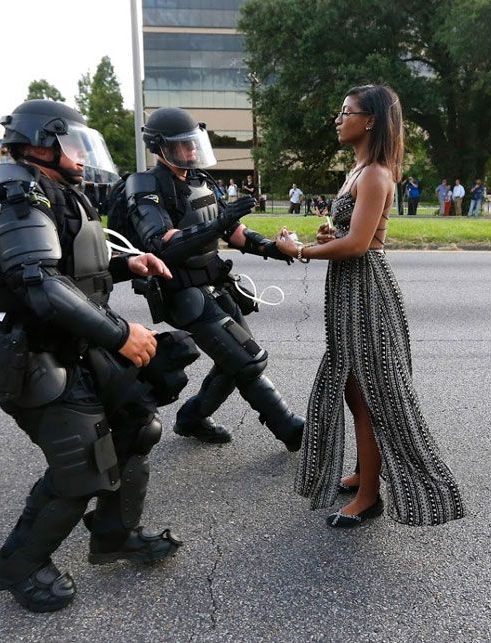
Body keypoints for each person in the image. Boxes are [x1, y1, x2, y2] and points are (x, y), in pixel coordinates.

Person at [0, 100, 183, 613]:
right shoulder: (15, 192)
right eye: (73, 143)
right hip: (28, 350)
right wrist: (121, 333)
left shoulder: (50, 189)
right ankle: (18, 566)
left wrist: (129, 264)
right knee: (82, 465)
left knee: (136, 427)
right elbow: (39, 283)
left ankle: (114, 534)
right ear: (41, 143)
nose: (82, 155)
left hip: (70, 341)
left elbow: (71, 266)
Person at [274, 84, 465, 529]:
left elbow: (360, 245)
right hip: (348, 289)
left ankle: (369, 496)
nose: (339, 119)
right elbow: (349, 235)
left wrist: (300, 250)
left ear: (371, 120)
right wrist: (328, 237)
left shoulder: (377, 173)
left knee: (373, 395)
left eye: (347, 112)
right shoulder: (357, 171)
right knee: (352, 388)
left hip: (366, 292)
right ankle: (365, 472)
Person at [124, 106, 304, 448]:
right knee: (248, 359)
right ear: (161, 147)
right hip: (182, 292)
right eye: (183, 145)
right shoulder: (145, 185)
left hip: (215, 285)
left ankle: (192, 418)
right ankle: (289, 428)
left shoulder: (200, 181)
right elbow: (161, 243)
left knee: (235, 360)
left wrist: (274, 249)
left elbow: (234, 231)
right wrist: (220, 224)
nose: (192, 150)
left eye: (194, 143)